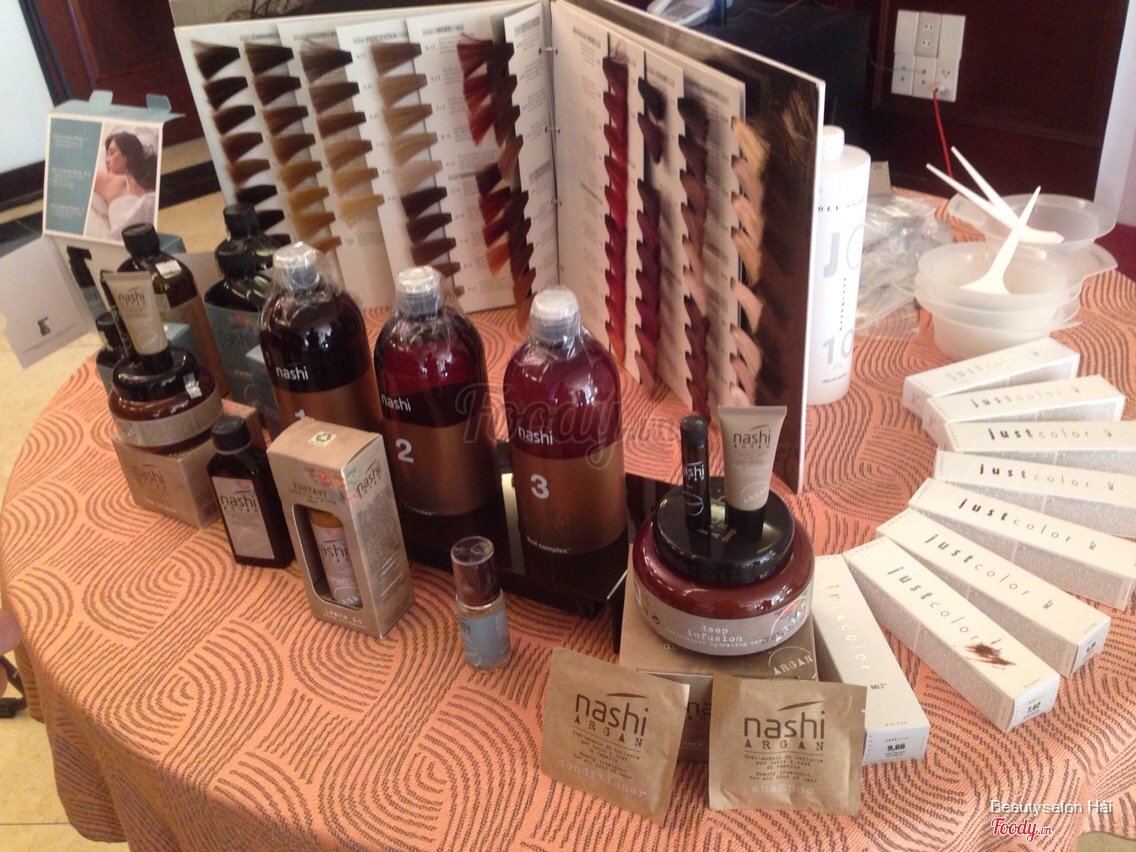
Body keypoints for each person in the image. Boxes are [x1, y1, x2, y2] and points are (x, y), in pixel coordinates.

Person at [89, 131, 158, 240]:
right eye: (107, 155)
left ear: (128, 155)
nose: (106, 160)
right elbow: (82, 173)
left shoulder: (152, 181)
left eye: (112, 153)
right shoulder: (111, 181)